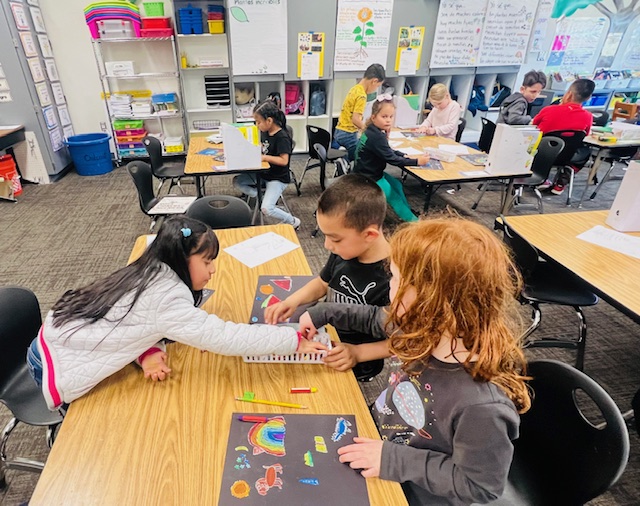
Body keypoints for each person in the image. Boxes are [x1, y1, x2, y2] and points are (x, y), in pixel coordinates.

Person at [298, 217, 531, 505]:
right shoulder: (426, 328)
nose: (389, 285)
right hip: (383, 438)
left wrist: (393, 459)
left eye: (395, 279)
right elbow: (373, 318)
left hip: (414, 488)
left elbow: (480, 486)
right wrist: (323, 312)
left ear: (433, 300)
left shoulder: (481, 406)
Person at [26, 216, 325, 411]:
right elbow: (226, 338)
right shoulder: (167, 298)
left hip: (59, 335)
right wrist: (293, 340)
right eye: (207, 262)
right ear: (181, 259)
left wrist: (148, 351)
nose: (214, 269)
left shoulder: (152, 265)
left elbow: (128, 321)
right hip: (60, 361)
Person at [264, 174, 391, 381]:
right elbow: (322, 283)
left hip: (358, 360)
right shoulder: (344, 252)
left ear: (369, 235)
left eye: (335, 238)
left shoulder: (396, 279)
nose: (326, 246)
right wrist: (292, 301)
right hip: (327, 340)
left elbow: (404, 341)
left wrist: (358, 353)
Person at [353, 95, 429, 222]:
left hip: (366, 173)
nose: (388, 120)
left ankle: (409, 212)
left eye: (391, 117)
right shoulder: (377, 136)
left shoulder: (372, 130)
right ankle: (415, 223)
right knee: (394, 198)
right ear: (373, 117)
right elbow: (391, 159)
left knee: (397, 185)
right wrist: (417, 162)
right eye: (384, 117)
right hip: (368, 178)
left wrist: (404, 155)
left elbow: (387, 151)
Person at [233, 100, 300, 229]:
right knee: (237, 181)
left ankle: (292, 221)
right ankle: (262, 196)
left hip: (277, 178)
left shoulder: (282, 137)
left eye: (258, 122)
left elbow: (284, 161)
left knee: (266, 209)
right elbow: (263, 147)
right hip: (264, 174)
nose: (257, 125)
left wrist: (264, 157)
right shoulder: (265, 132)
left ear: (269, 121)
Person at [532, 78, 595, 195]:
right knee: (585, 150)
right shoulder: (588, 116)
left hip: (540, 155)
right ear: (588, 98)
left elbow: (533, 127)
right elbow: (585, 135)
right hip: (567, 156)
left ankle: (542, 178)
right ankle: (562, 181)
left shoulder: (549, 110)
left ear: (569, 94)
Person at [333, 63, 386, 161]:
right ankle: (348, 167)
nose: (376, 89)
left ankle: (344, 161)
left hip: (339, 131)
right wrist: (368, 130)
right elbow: (355, 120)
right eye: (378, 86)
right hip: (348, 135)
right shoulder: (362, 96)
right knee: (363, 155)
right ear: (374, 81)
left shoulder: (355, 88)